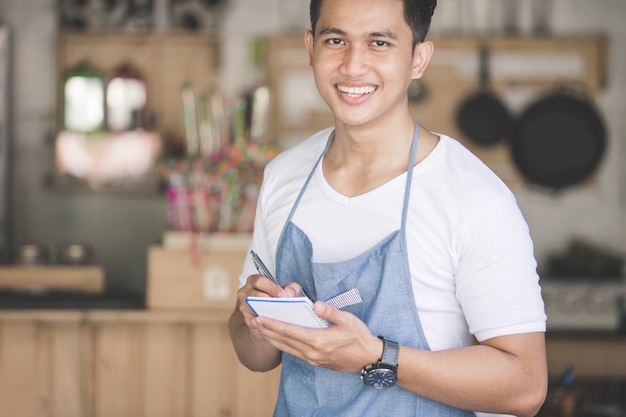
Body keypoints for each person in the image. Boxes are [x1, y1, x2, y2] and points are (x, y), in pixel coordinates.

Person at [228, 0, 548, 416]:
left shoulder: (474, 198)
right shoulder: (284, 177)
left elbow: (525, 385)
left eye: (379, 42)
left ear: (418, 58)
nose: (353, 65)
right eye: (335, 40)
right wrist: (257, 321)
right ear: (311, 49)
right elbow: (254, 356)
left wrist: (378, 356)